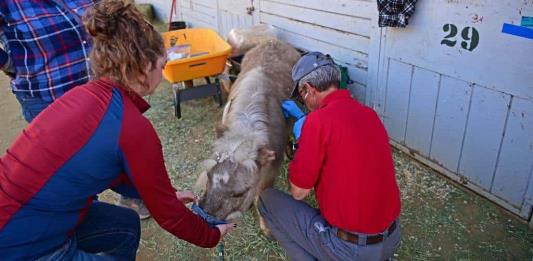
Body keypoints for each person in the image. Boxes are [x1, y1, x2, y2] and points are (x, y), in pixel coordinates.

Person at [0, 1, 233, 260]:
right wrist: (211, 235)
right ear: (145, 67)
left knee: (126, 226)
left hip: (22, 216)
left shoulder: (84, 95)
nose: (163, 71)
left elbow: (106, 169)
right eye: (162, 64)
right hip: (23, 245)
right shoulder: (133, 128)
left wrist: (163, 195)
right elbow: (170, 218)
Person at [0, 0, 150, 219]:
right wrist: (10, 65)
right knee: (72, 164)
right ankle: (85, 217)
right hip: (48, 94)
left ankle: (134, 195)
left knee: (116, 145)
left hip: (101, 87)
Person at [259, 52, 401, 260]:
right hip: (391, 239)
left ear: (308, 90)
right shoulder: (369, 114)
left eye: (301, 96)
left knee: (266, 199)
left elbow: (298, 192)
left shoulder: (317, 122)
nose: (303, 102)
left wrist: (302, 142)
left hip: (351, 249)